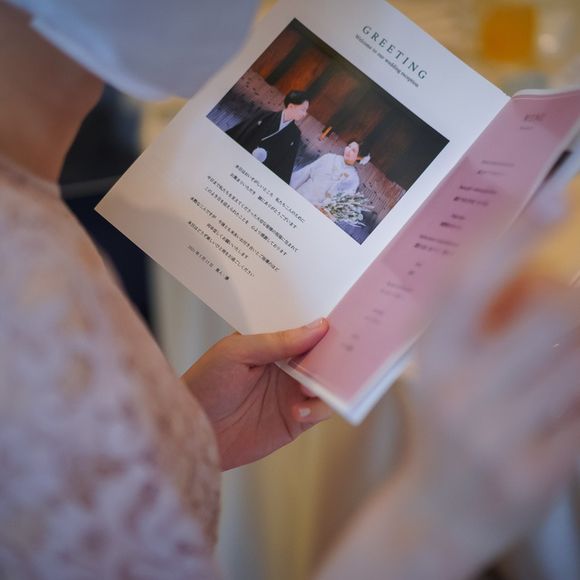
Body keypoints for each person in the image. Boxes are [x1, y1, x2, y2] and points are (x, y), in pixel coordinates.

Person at [1, 1, 579, 578]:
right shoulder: (25, 280)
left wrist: (186, 432)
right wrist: (435, 522)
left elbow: (52, 500)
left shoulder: (30, 223)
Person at [226, 90, 309, 184]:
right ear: (291, 106)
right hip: (240, 161)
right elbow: (242, 132)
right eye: (303, 109)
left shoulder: (295, 134)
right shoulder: (265, 116)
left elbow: (286, 164)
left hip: (259, 176)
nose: (305, 114)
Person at [290, 141, 361, 209]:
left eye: (353, 150)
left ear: (359, 157)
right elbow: (305, 172)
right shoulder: (329, 157)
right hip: (302, 193)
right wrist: (291, 187)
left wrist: (322, 206)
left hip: (316, 206)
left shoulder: (353, 179)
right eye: (349, 146)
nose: (349, 150)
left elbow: (342, 200)